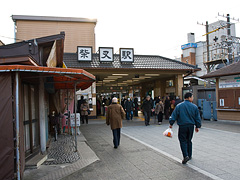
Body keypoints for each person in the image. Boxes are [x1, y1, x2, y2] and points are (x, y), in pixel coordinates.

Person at [169, 92, 201, 164]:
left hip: (182, 126)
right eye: (192, 97)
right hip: (191, 126)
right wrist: (197, 126)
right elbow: (197, 117)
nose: (193, 98)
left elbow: (174, 115)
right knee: (189, 140)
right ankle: (189, 155)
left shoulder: (179, 106)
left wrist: (171, 123)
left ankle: (185, 155)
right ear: (189, 98)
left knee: (182, 140)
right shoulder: (194, 107)